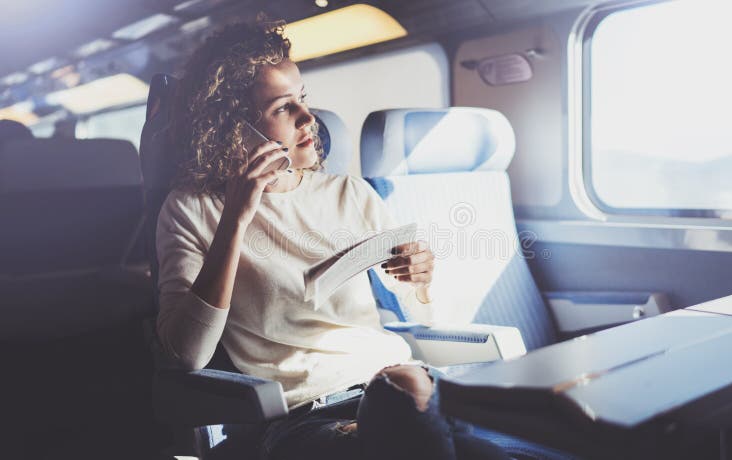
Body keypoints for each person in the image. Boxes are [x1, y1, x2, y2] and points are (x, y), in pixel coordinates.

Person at [157, 16, 513, 460]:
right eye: (284, 108)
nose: (309, 118)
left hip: (405, 384)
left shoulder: (348, 193)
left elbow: (423, 310)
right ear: (234, 127)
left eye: (302, 99)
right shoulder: (192, 208)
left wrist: (419, 280)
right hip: (308, 417)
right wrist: (236, 218)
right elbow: (187, 355)